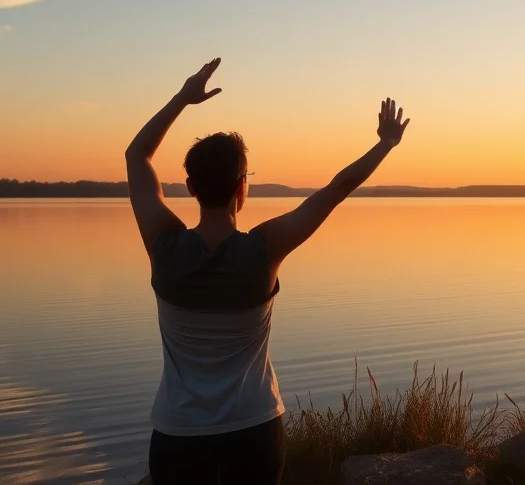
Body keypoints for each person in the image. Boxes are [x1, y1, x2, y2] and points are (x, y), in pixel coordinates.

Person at [125, 58, 409, 484]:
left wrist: (183, 98)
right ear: (243, 186)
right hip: (254, 430)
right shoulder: (263, 251)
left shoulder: (164, 247)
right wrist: (385, 144)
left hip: (178, 434)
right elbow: (334, 191)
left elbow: (137, 155)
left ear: (191, 187)